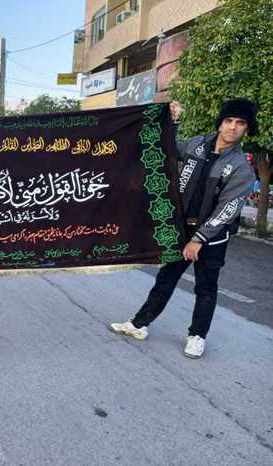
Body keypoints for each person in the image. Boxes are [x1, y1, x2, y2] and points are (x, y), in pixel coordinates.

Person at [109, 98, 257, 359]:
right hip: (181, 230)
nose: (233, 127)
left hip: (211, 239)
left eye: (240, 123)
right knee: (165, 279)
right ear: (220, 123)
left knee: (206, 288)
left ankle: (197, 336)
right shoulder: (198, 145)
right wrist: (171, 121)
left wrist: (199, 239)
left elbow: (227, 209)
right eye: (229, 120)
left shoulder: (241, 169)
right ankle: (139, 324)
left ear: (247, 128)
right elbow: (168, 148)